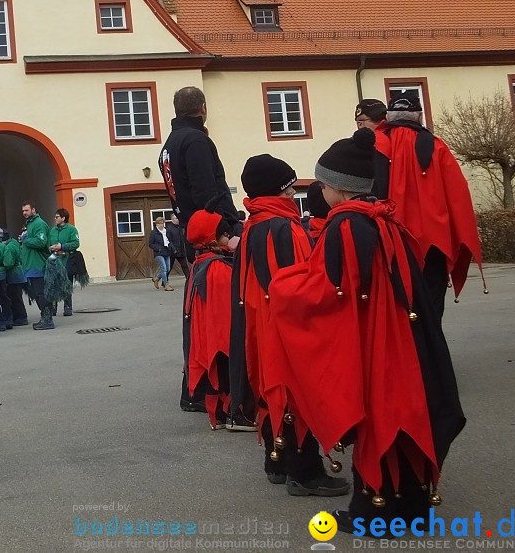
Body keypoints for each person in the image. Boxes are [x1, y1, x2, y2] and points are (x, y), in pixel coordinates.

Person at [271, 128, 465, 528]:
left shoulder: (346, 225)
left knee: (381, 415)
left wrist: (282, 286)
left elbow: (331, 288)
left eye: (323, 183)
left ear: (339, 189)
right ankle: (411, 506)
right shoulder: (383, 220)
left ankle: (375, 512)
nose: (320, 190)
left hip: (379, 340)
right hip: (401, 337)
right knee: (404, 413)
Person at [235, 153, 347, 498]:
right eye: (287, 190)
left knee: (272, 388)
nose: (291, 197)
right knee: (296, 390)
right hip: (284, 325)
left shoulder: (254, 224)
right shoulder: (284, 227)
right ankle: (305, 471)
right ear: (276, 192)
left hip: (260, 324)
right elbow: (302, 283)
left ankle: (277, 461)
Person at [373, 97, 483, 320]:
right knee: (432, 309)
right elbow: (458, 193)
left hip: (391, 237)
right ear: (420, 117)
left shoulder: (376, 143)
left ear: (388, 117)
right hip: (434, 241)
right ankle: (433, 352)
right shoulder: (437, 146)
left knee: (396, 307)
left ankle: (405, 353)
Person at [157, 86, 244, 270]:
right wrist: (226, 232)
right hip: (212, 238)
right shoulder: (195, 140)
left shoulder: (169, 145)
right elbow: (207, 193)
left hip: (191, 232)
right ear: (203, 108)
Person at [183, 208, 235, 428]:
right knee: (224, 366)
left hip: (207, 334)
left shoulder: (200, 264)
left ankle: (219, 414)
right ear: (213, 238)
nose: (228, 239)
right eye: (224, 235)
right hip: (222, 337)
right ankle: (229, 412)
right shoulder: (217, 267)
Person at [43, 208, 80, 323]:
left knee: (66, 283)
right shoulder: (52, 230)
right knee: (53, 283)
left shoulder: (71, 229)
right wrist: (50, 247)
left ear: (63, 218)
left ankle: (67, 307)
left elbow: (76, 243)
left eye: (57, 217)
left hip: (67, 259)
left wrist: (62, 246)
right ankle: (53, 307)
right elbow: (48, 243)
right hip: (54, 259)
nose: (55, 219)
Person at [19, 202, 52, 329]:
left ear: (33, 209)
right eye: (23, 211)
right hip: (31, 265)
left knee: (40, 293)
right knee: (39, 293)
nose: (24, 213)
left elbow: (41, 241)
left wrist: (26, 240)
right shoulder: (30, 224)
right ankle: (45, 317)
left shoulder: (39, 224)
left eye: (26, 210)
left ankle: (48, 320)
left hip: (38, 265)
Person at [0, 229, 28, 326]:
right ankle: (20, 317)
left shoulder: (9, 247)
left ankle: (21, 317)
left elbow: (9, 262)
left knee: (15, 297)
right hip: (18, 274)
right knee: (16, 297)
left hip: (14, 275)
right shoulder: (14, 243)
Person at [148, 215, 175, 291]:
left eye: (162, 223)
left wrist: (172, 248)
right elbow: (150, 243)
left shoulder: (166, 231)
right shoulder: (154, 233)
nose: (161, 225)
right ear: (156, 224)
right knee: (164, 268)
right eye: (159, 223)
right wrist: (158, 248)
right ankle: (166, 284)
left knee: (168, 268)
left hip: (167, 251)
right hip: (159, 253)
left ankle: (157, 278)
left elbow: (169, 240)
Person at [166, 213, 189, 284]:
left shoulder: (180, 227)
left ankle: (189, 280)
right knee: (169, 268)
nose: (177, 220)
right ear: (172, 219)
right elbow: (168, 240)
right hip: (172, 251)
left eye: (178, 218)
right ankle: (164, 281)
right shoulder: (169, 228)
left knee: (184, 265)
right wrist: (174, 249)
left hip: (181, 250)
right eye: (176, 218)